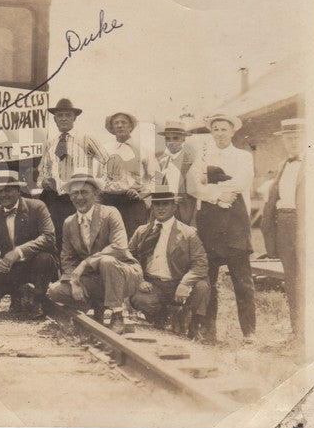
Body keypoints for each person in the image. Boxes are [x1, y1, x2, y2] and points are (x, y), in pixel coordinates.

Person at [187, 113, 256, 343]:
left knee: (242, 280)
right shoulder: (202, 157)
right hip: (210, 223)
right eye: (215, 129)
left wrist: (214, 187)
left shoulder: (243, 156)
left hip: (236, 222)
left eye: (223, 129)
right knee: (209, 279)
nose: (219, 133)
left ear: (232, 131)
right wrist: (217, 196)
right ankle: (209, 330)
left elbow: (242, 181)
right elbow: (193, 186)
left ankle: (249, 332)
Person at [46, 169, 142, 334]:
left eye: (84, 192)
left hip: (124, 273)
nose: (79, 197)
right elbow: (67, 258)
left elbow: (119, 247)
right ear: (70, 196)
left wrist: (85, 263)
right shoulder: (69, 223)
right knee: (55, 291)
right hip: (95, 278)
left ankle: (117, 315)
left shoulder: (110, 213)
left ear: (95, 194)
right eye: (75, 193)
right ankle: (95, 306)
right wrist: (73, 282)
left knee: (106, 261)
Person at [128, 188, 210, 339]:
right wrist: (140, 279)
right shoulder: (142, 231)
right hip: (153, 284)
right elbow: (128, 258)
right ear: (152, 207)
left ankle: (193, 324)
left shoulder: (188, 233)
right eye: (157, 204)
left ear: (174, 207)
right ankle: (161, 317)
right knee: (140, 299)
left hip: (177, 283)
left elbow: (201, 264)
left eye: (165, 204)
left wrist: (185, 283)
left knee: (202, 286)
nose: (161, 208)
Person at [0, 170, 58, 319]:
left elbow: (48, 237)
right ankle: (18, 294)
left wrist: (18, 252)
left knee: (45, 258)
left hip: (35, 264)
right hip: (12, 268)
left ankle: (38, 300)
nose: (3, 195)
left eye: (8, 190)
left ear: (18, 190)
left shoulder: (37, 207)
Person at [38, 98, 109, 249]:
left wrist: (99, 185)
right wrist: (44, 181)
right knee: (58, 236)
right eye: (60, 115)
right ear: (55, 119)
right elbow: (43, 171)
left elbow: (108, 161)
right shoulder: (51, 143)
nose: (63, 118)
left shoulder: (85, 139)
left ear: (74, 118)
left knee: (82, 236)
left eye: (68, 115)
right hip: (57, 199)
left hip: (79, 196)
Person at [261, 118, 306, 343]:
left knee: (309, 275)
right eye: (289, 138)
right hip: (283, 224)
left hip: (305, 225)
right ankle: (297, 330)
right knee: (291, 278)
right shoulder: (282, 165)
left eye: (297, 137)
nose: (293, 142)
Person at [102, 111, 159, 240]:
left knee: (134, 241)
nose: (120, 125)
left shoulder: (143, 150)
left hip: (133, 203)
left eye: (123, 122)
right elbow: (98, 176)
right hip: (109, 202)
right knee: (111, 241)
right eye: (116, 123)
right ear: (112, 127)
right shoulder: (105, 150)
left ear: (130, 126)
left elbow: (157, 178)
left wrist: (142, 194)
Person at [156, 120, 197, 225]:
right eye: (168, 139)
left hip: (185, 211)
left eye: (175, 138)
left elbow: (196, 192)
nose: (171, 142)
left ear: (183, 139)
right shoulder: (159, 160)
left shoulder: (191, 161)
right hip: (163, 210)